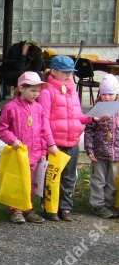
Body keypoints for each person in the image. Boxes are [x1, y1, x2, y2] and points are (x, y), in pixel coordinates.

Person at [38, 56, 103, 222]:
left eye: (70, 72)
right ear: (53, 71)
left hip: (72, 142)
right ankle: (50, 207)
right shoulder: (47, 92)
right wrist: (50, 143)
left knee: (69, 177)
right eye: (64, 72)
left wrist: (92, 119)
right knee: (52, 177)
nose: (68, 75)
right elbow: (44, 119)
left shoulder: (72, 91)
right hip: (55, 144)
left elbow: (78, 115)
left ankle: (65, 207)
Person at [0, 72, 58, 224]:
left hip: (35, 153)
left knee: (31, 183)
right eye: (32, 90)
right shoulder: (11, 107)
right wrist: (12, 140)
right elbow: (2, 129)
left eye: (38, 91)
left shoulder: (39, 109)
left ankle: (27, 209)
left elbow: (43, 131)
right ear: (21, 88)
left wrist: (43, 151)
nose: (36, 94)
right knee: (18, 181)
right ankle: (16, 210)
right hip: (19, 153)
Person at [83, 74, 119, 219]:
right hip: (99, 153)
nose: (108, 97)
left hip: (115, 153)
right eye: (104, 94)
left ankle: (109, 204)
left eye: (111, 94)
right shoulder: (96, 110)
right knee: (99, 180)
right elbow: (89, 131)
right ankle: (98, 204)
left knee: (113, 181)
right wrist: (89, 148)